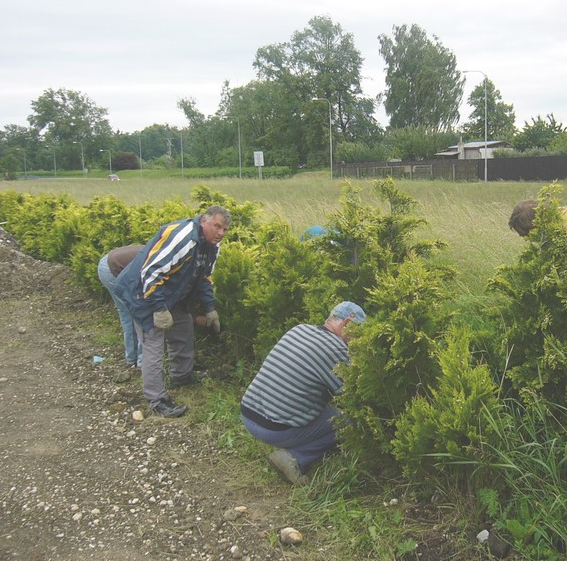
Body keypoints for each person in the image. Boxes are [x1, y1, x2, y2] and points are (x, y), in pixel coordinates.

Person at [115, 205, 231, 418]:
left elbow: (204, 278)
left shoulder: (212, 246)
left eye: (225, 229)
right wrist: (159, 309)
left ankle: (181, 376)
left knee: (183, 325)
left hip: (170, 294)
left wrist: (210, 308)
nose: (221, 233)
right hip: (142, 292)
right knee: (153, 340)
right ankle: (157, 400)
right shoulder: (183, 236)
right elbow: (151, 272)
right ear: (204, 221)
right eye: (217, 226)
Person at [240, 301, 367, 485]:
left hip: (247, 414)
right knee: (346, 420)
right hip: (273, 429)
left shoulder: (300, 329)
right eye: (358, 334)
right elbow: (353, 397)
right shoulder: (337, 349)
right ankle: (295, 458)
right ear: (346, 325)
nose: (358, 342)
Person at [97, 245, 143, 368]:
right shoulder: (159, 259)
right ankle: (141, 362)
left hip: (108, 264)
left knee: (128, 314)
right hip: (112, 269)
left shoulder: (160, 250)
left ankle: (132, 358)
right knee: (140, 314)